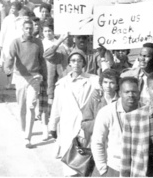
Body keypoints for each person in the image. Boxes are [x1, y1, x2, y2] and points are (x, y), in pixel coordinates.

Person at [48, 48, 99, 177]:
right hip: (67, 125)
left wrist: (103, 58)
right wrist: (52, 126)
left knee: (84, 160)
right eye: (73, 61)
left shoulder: (92, 80)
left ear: (84, 63)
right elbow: (56, 107)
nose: (76, 63)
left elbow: (105, 79)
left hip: (85, 125)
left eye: (79, 61)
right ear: (69, 63)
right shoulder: (61, 84)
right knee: (69, 161)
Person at [4, 20, 47, 148]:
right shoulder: (16, 43)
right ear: (22, 29)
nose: (29, 31)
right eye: (26, 28)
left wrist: (43, 76)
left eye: (30, 28)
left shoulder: (38, 43)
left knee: (31, 106)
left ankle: (28, 137)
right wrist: (8, 69)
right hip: (20, 77)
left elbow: (42, 60)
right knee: (22, 107)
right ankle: (23, 130)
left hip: (34, 77)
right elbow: (10, 57)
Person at [92, 76, 140, 177]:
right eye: (126, 92)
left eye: (134, 92)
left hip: (139, 168)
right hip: (115, 168)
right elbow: (97, 142)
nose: (131, 95)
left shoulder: (146, 111)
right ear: (119, 93)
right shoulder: (106, 112)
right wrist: (103, 170)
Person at [81, 69, 120, 150]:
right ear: (101, 84)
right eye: (105, 82)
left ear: (117, 85)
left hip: (117, 142)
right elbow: (84, 124)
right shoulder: (96, 98)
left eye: (112, 83)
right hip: (99, 142)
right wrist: (101, 123)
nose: (108, 86)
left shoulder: (120, 100)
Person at [44, 35, 114, 75]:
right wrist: (60, 39)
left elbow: (109, 65)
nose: (81, 40)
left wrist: (105, 50)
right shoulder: (66, 52)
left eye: (84, 38)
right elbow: (47, 55)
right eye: (79, 38)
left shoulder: (94, 53)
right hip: (70, 87)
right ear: (74, 39)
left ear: (88, 39)